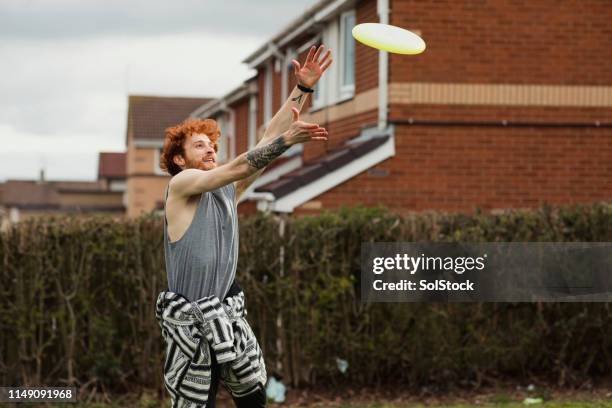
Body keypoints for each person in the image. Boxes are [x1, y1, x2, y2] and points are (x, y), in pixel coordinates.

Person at [155, 45, 333, 408]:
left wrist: (303, 90)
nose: (209, 150)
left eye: (212, 145)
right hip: (192, 328)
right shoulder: (181, 186)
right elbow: (240, 165)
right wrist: (286, 142)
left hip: (228, 317)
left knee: (253, 396)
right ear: (179, 159)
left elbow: (265, 141)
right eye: (199, 145)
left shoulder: (227, 191)